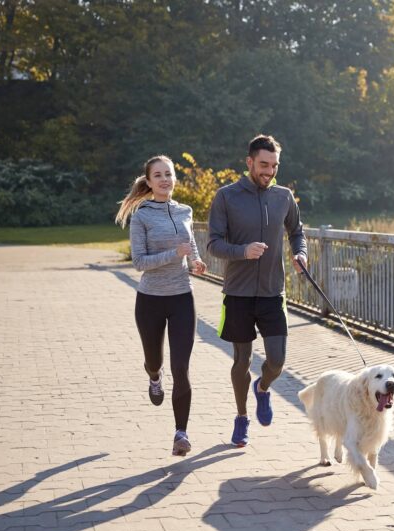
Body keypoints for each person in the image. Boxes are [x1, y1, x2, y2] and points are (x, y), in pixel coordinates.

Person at [207, 134, 307, 447]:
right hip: (237, 293)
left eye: (274, 166)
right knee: (241, 360)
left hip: (273, 292)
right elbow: (213, 244)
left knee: (277, 360)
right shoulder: (226, 197)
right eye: (264, 165)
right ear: (249, 162)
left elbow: (297, 232)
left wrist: (300, 252)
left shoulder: (283, 197)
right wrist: (243, 251)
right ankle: (241, 418)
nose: (269, 171)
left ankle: (262, 388)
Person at [115, 155, 207, 456]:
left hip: (182, 297)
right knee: (155, 361)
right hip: (150, 301)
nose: (165, 179)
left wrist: (194, 260)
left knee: (181, 367)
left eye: (168, 174)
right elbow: (139, 262)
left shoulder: (185, 210)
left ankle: (181, 433)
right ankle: (154, 376)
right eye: (158, 175)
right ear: (149, 181)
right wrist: (173, 254)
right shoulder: (142, 215)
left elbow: (189, 243)